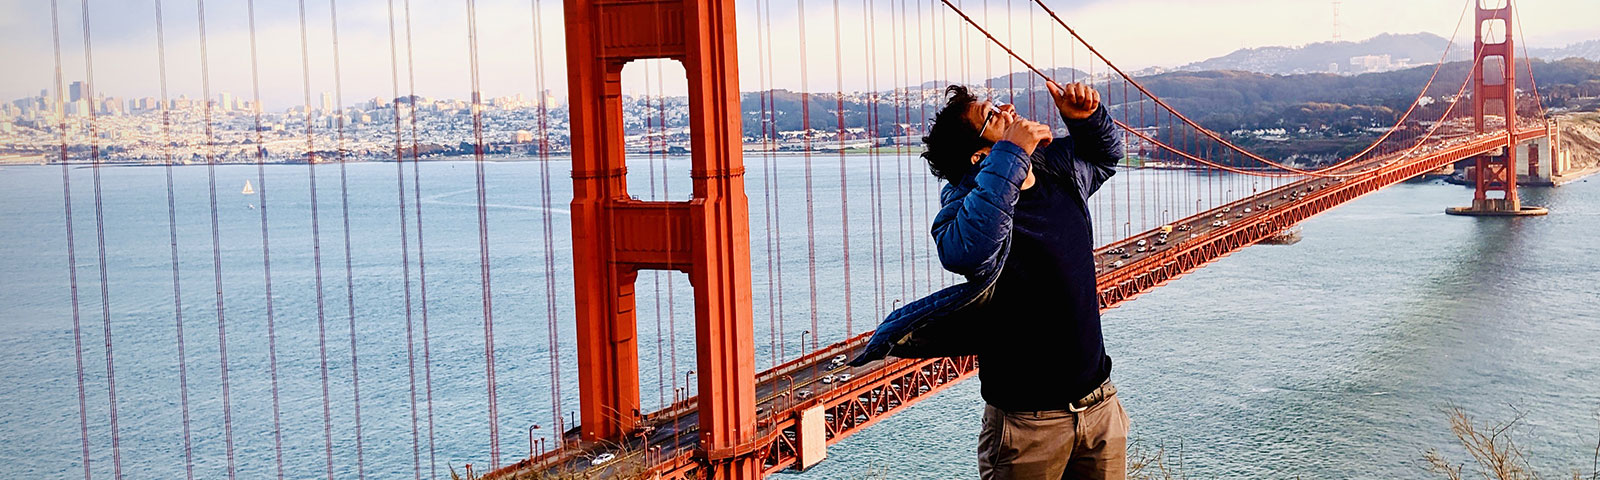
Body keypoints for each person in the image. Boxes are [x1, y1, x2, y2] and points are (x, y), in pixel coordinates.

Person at [849, 80, 1127, 480]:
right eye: (992, 115)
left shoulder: (1059, 171)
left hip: (1099, 408)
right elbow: (966, 250)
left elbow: (1104, 158)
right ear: (982, 156)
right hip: (1027, 426)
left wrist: (1086, 121)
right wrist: (1012, 152)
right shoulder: (964, 210)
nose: (1008, 109)